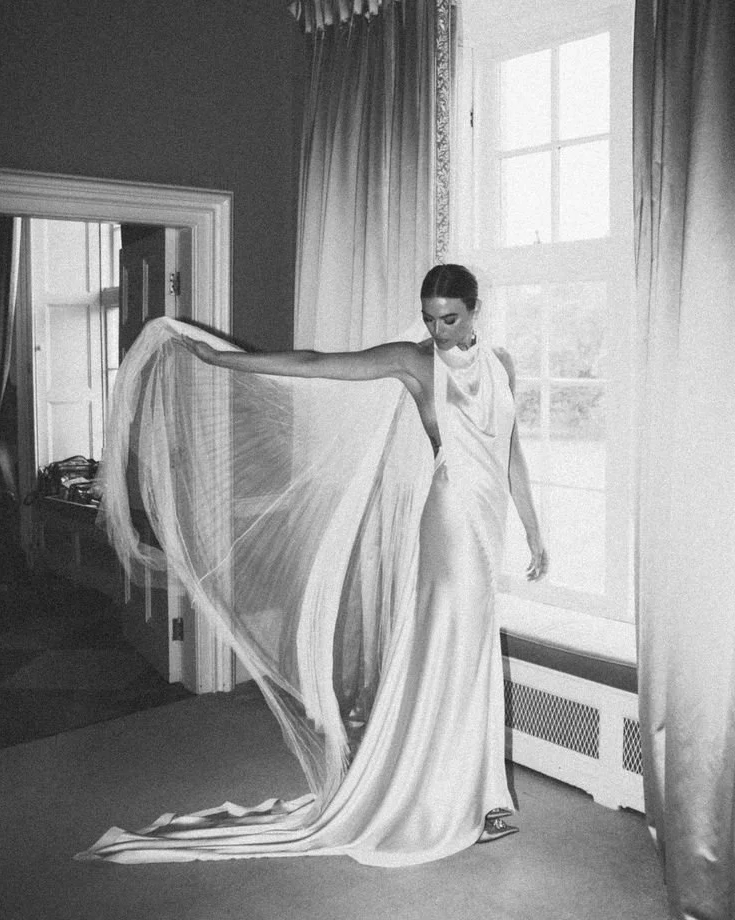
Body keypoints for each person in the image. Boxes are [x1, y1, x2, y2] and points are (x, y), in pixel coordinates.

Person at [77, 263, 547, 866]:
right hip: (451, 520)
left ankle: (478, 794)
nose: (438, 330)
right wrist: (222, 361)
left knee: (472, 652)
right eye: (429, 318)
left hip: (488, 523)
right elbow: (312, 362)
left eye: (450, 318)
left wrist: (534, 531)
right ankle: (439, 796)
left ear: (475, 310)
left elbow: (508, 451)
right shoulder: (414, 361)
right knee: (450, 650)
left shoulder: (501, 366)